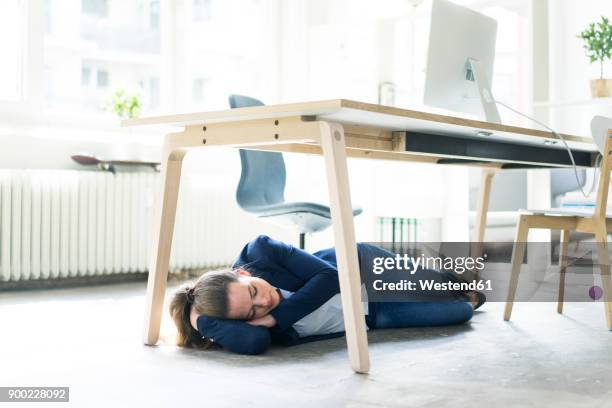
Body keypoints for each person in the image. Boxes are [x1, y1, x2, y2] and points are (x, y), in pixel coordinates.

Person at [169, 235, 484, 355]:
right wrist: (198, 319)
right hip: (370, 315)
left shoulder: (260, 251)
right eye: (252, 312)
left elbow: (331, 278)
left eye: (254, 291)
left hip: (366, 269)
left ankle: (454, 281)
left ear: (242, 273)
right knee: (461, 314)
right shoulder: (235, 321)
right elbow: (254, 342)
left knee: (452, 289)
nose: (263, 302)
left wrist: (275, 317)